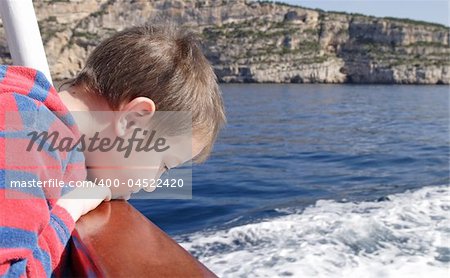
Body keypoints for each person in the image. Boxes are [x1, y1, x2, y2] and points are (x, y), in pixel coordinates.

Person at [0, 25, 226, 277]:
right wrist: (72, 207)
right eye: (164, 164)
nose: (152, 185)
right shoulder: (27, 129)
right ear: (132, 119)